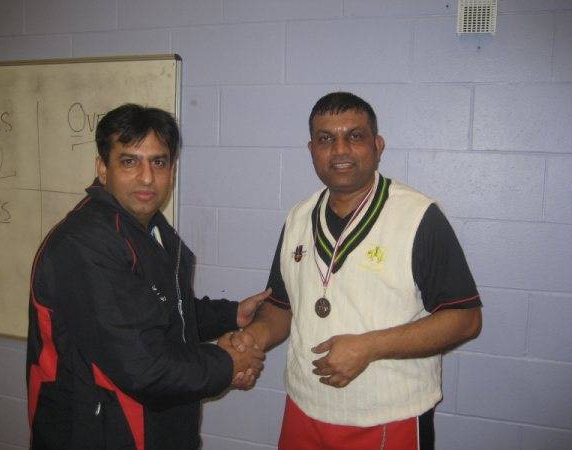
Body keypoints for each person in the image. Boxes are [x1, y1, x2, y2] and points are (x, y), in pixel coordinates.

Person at [231, 92, 482, 449]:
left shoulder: (418, 217)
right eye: (326, 139)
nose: (340, 150)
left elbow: (466, 318)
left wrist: (369, 347)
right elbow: (282, 307)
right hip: (304, 408)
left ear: (377, 145)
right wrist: (254, 338)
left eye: (355, 135)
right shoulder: (298, 217)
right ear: (311, 149)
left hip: (387, 416)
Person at [26, 103, 268, 450]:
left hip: (155, 427)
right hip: (99, 434)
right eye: (129, 161)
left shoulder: (147, 229)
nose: (146, 177)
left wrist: (230, 315)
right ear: (102, 169)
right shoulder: (84, 244)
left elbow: (159, 312)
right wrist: (229, 363)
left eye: (158, 161)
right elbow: (144, 365)